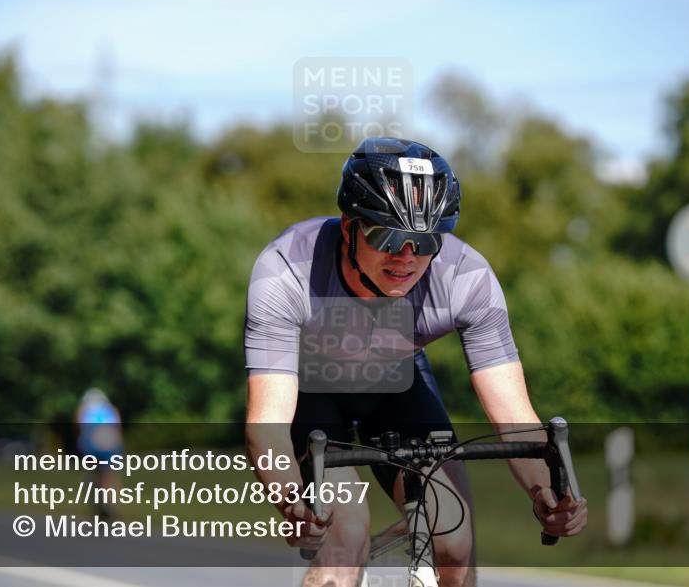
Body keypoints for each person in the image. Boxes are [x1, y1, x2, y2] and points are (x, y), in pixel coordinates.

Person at [245, 137, 587, 587]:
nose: (407, 258)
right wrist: (292, 499)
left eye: (425, 241)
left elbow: (514, 415)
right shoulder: (286, 270)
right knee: (344, 534)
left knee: (453, 542)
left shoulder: (468, 278)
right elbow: (266, 420)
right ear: (349, 229)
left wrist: (548, 491)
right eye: (388, 237)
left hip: (396, 386)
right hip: (311, 390)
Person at [76, 388, 124, 519]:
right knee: (110, 475)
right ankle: (111, 504)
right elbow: (117, 430)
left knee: (94, 473)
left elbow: (80, 428)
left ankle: (97, 501)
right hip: (110, 444)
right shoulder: (111, 410)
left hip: (91, 445)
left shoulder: (84, 410)